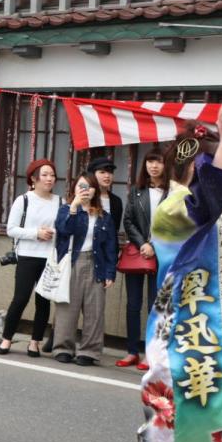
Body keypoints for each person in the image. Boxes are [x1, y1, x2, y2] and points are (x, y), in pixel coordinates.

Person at [107, 107, 222, 442]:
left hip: (217, 325)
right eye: (211, 159)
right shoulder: (178, 207)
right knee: (175, 416)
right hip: (186, 327)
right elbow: (208, 200)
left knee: (215, 406)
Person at [51, 172, 118, 366]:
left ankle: (89, 351)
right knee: (66, 308)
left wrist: (110, 272)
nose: (84, 190)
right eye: (80, 186)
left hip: (95, 263)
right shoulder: (66, 210)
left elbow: (111, 247)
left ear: (95, 190)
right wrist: (74, 207)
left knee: (94, 310)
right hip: (71, 262)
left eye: (88, 186)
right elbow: (64, 230)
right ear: (74, 189)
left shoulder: (104, 216)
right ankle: (63, 348)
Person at [0, 159, 60, 357]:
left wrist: (53, 233)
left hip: (49, 258)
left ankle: (35, 342)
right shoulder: (23, 200)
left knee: (43, 302)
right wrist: (36, 233)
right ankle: (6, 339)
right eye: (45, 175)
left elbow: (65, 228)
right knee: (21, 298)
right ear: (34, 178)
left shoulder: (60, 201)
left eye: (52, 175)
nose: (49, 179)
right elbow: (11, 229)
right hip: (27, 256)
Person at [119, 149, 169, 369]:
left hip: (163, 255)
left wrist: (155, 246)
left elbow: (176, 225)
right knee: (133, 304)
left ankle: (152, 354)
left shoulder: (173, 192)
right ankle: (132, 351)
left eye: (158, 162)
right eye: (150, 162)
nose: (154, 166)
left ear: (166, 166)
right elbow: (128, 221)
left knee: (154, 306)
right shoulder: (136, 191)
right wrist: (143, 244)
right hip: (138, 254)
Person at [88, 156, 123, 234]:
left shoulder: (116, 201)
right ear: (93, 174)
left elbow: (115, 229)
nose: (107, 176)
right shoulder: (86, 196)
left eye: (110, 172)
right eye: (102, 172)